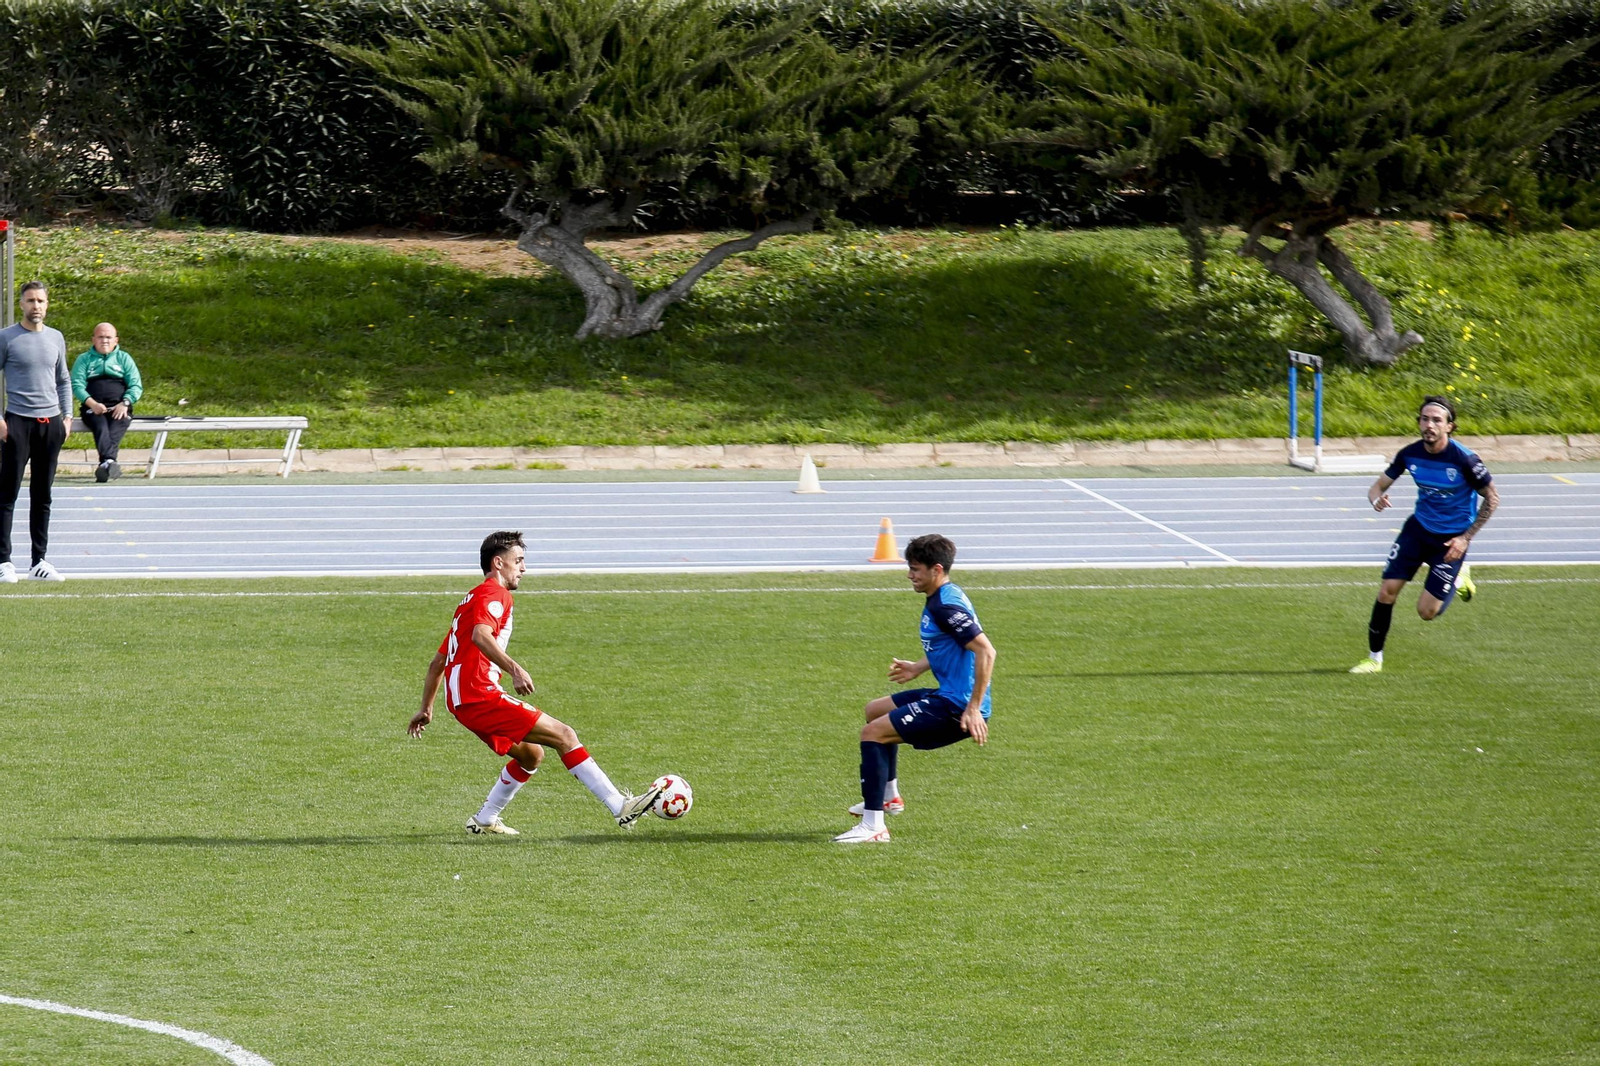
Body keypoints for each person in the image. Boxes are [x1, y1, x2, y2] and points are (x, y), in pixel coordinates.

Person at [407, 531, 666, 834]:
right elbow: (481, 635)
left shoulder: (469, 601)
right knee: (564, 735)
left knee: (531, 754)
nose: (524, 568)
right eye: (518, 560)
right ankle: (620, 807)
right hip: (479, 694)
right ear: (498, 563)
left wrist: (426, 708)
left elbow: (437, 662)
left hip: (461, 702)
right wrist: (514, 669)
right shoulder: (495, 594)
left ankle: (484, 819)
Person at [833, 533, 997, 844]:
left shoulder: (945, 607)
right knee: (875, 711)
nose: (910, 575)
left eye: (915, 569)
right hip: (948, 694)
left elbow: (986, 651)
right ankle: (889, 796)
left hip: (956, 707)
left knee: (872, 734)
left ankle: (873, 827)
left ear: (937, 569)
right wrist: (919, 667)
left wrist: (974, 708)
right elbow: (951, 643)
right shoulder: (945, 595)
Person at [1350, 395, 1499, 674]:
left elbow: (1492, 498)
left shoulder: (1465, 459)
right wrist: (1376, 500)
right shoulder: (1410, 454)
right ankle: (1374, 659)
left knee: (1427, 612)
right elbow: (1377, 487)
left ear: (1449, 426)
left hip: (1451, 540)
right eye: (1424, 419)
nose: (1429, 425)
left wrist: (1465, 539)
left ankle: (1459, 576)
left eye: (1436, 420)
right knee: (1386, 591)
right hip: (1417, 531)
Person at [0, 281, 72, 583]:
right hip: (17, 423)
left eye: (40, 300)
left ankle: (38, 561)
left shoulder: (56, 338)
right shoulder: (6, 337)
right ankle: (3, 561)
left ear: (47, 304)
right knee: (7, 494)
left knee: (43, 495)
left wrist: (67, 418)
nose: (36, 306)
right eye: (30, 300)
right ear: (21, 304)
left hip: (50, 425)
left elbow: (63, 380)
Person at [71, 322, 142, 482]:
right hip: (94, 408)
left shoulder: (124, 358)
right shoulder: (84, 359)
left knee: (116, 428)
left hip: (120, 407)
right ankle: (110, 461)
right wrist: (92, 404)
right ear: (93, 339)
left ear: (116, 340)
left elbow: (136, 385)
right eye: (100, 337)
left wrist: (125, 403)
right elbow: (77, 385)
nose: (104, 341)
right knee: (101, 427)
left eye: (109, 337)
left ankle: (106, 463)